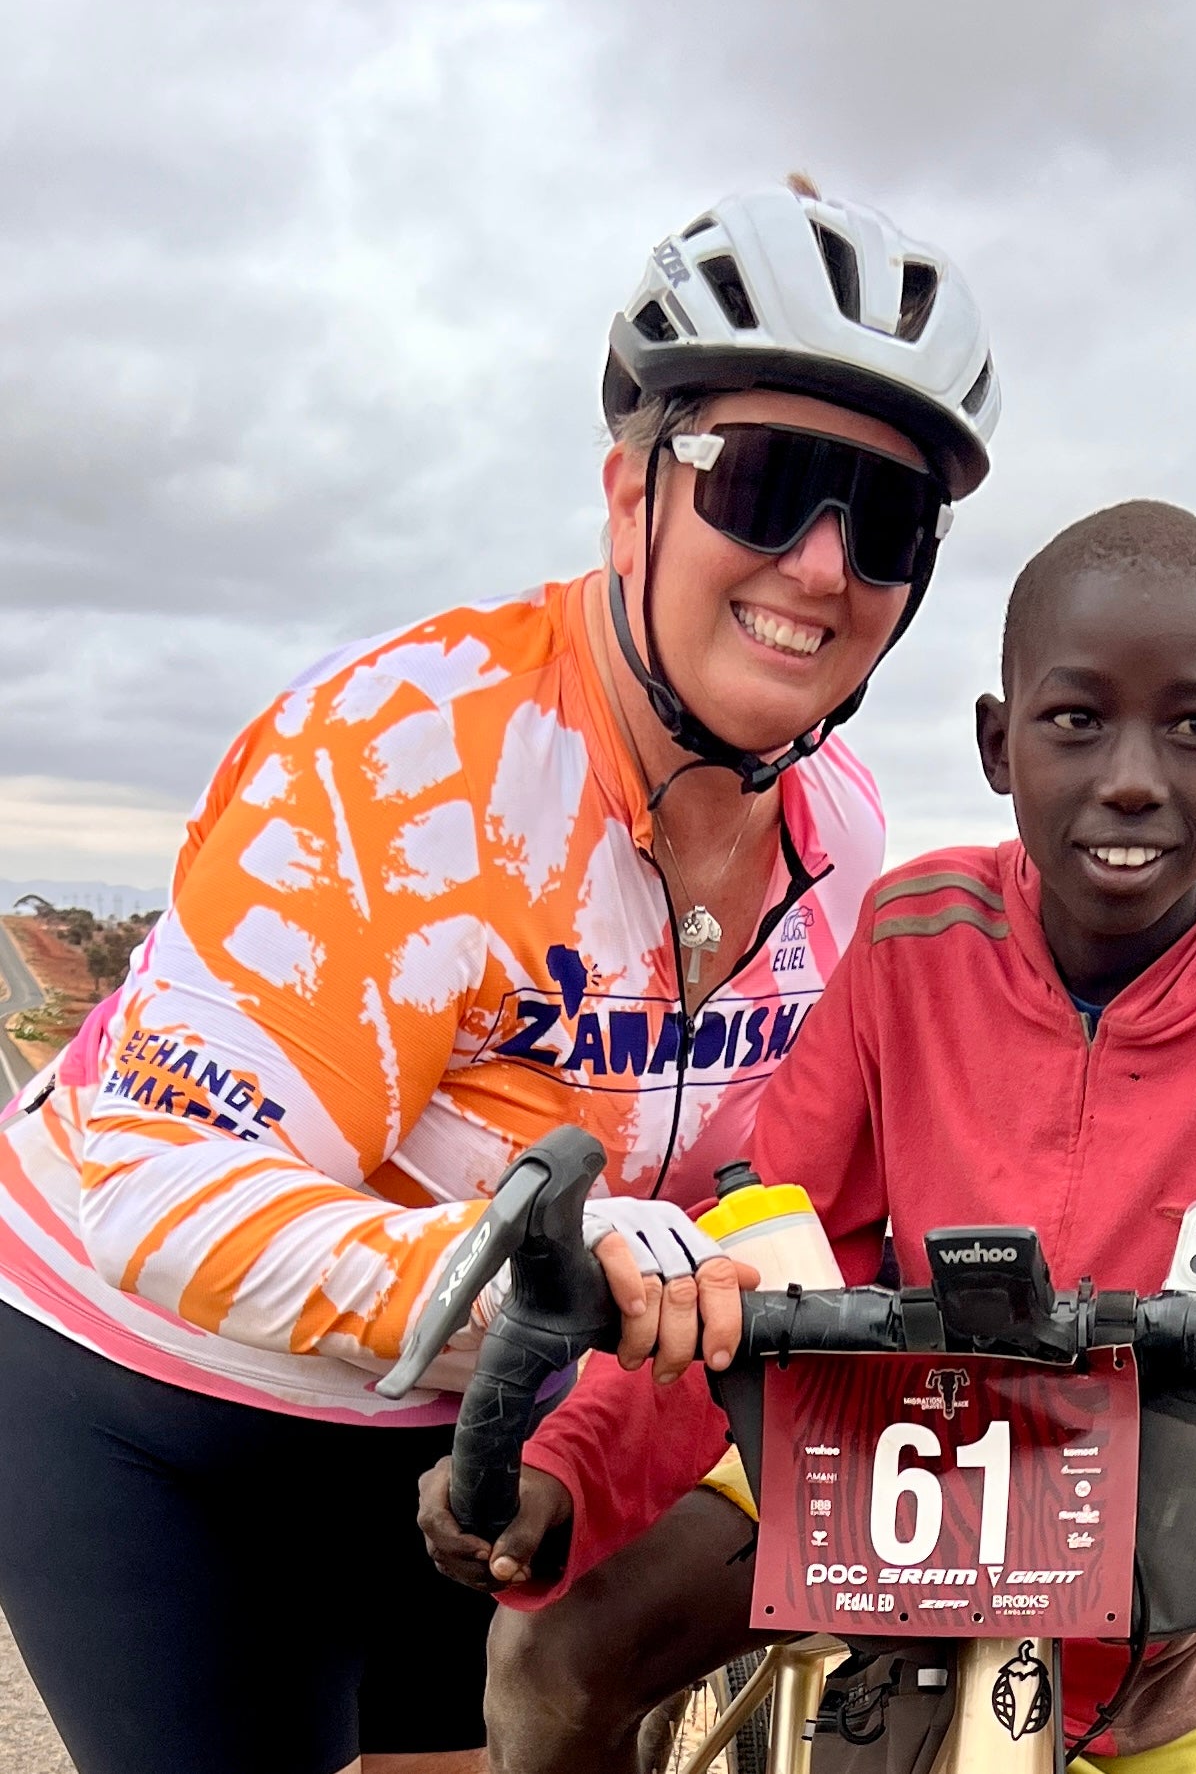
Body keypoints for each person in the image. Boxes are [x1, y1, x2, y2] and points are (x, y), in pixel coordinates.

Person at [0, 178, 1001, 1774]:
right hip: (160, 1406)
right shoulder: (400, 765)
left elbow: (778, 1171)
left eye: (884, 523)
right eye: (762, 482)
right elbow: (151, 1184)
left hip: (473, 1437)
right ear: (628, 496)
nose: (819, 566)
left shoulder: (844, 836)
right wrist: (530, 1259)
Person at [436, 500, 1196, 1773]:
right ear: (998, 741)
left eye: (1194, 724)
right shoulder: (916, 932)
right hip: (862, 1478)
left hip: (1141, 1602)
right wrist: (566, 1472)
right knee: (547, 1663)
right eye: (1074, 718)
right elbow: (756, 1247)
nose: (1133, 772)